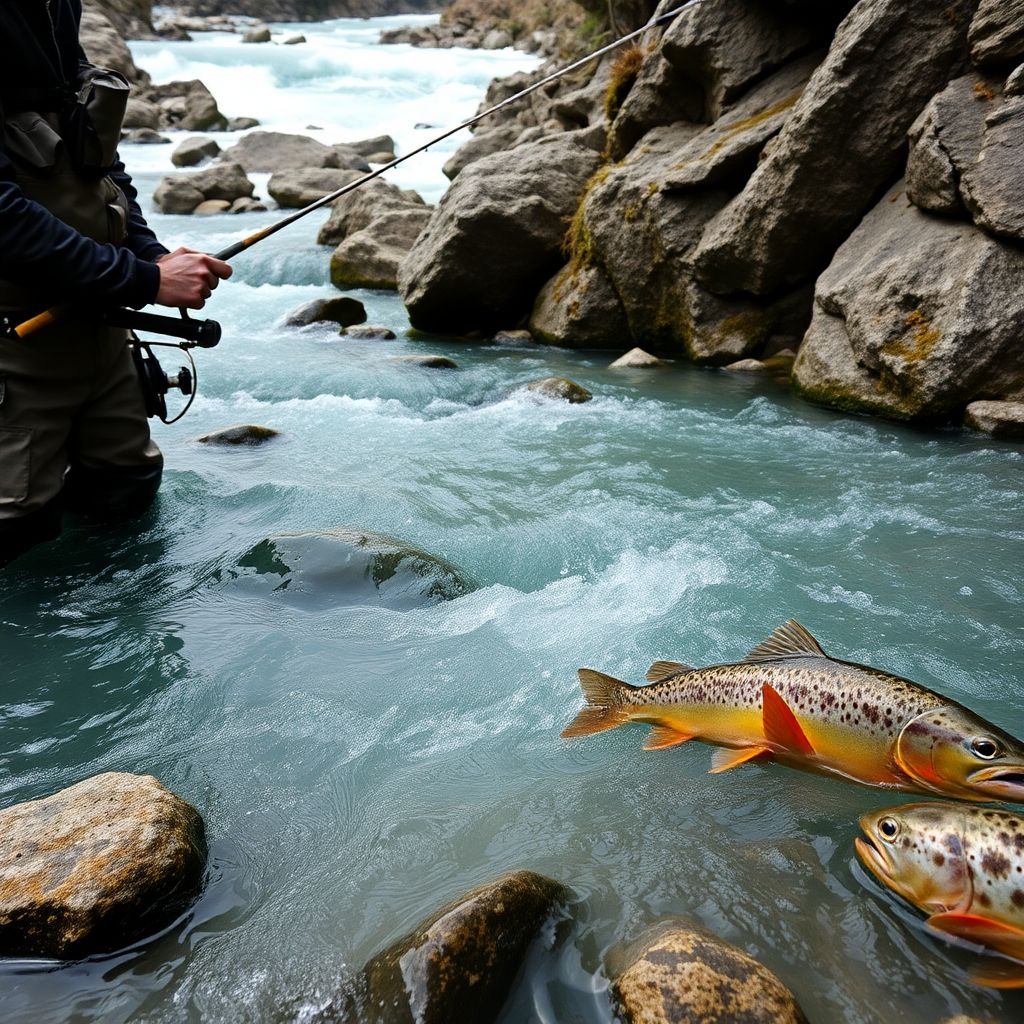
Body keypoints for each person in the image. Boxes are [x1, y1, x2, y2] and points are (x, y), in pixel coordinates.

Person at [0, 0, 231, 567]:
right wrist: (145, 280)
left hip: (99, 332)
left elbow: (101, 163)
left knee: (127, 490)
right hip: (14, 345)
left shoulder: (56, 11)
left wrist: (149, 255)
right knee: (17, 535)